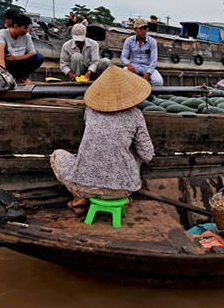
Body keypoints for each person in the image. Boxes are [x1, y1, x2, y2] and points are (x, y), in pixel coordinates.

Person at [50, 65, 154, 213]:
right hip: (123, 189)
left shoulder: (91, 111)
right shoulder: (136, 115)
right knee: (134, 149)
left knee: (56, 155)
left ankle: (79, 197)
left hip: (84, 187)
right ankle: (115, 200)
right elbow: (147, 155)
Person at [0, 13, 45, 84]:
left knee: (39, 57)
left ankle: (22, 76)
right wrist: (2, 67)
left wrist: (16, 58)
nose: (27, 30)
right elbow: (0, 47)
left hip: (20, 63)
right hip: (8, 63)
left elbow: (32, 53)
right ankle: (6, 75)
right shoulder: (2, 33)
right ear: (16, 26)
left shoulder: (27, 36)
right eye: (25, 28)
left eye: (27, 28)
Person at [120, 18, 163, 86]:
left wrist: (148, 72)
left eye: (145, 28)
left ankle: (146, 92)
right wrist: (129, 65)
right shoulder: (129, 40)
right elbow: (123, 56)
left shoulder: (152, 41)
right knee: (121, 77)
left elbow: (154, 60)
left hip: (147, 67)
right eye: (141, 28)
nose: (143, 31)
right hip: (133, 66)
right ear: (135, 29)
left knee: (158, 81)